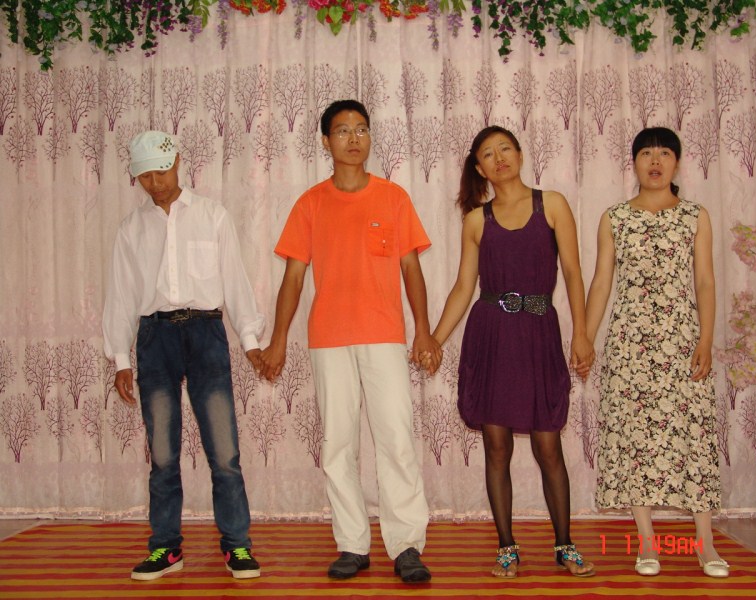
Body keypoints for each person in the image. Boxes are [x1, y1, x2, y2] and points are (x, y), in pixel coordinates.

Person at [259, 99, 440, 584]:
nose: (353, 138)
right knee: (338, 444)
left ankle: (406, 545)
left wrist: (423, 330)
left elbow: (411, 269)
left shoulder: (394, 198)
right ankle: (353, 545)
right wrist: (278, 340)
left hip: (384, 336)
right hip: (329, 339)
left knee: (395, 440)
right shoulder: (310, 203)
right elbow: (293, 278)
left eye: (361, 129)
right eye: (342, 131)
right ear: (326, 141)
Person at [426, 125, 595, 578]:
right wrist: (434, 339)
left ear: (520, 154)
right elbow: (464, 287)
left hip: (539, 334)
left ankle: (564, 544)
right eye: (488, 153)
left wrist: (582, 334)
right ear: (479, 168)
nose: (498, 157)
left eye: (505, 148)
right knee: (496, 446)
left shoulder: (552, 204)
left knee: (548, 445)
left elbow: (574, 273)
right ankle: (506, 547)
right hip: (492, 336)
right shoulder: (475, 220)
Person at [102, 131, 264, 581]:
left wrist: (250, 340)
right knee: (162, 453)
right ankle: (165, 548)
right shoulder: (131, 229)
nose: (154, 183)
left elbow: (235, 279)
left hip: (206, 332)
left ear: (176, 162)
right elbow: (121, 295)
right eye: (145, 176)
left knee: (224, 451)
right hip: (154, 338)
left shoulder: (213, 215)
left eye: (160, 171)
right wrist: (121, 359)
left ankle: (237, 545)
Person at [584, 127, 727, 578]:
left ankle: (705, 544)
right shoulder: (614, 218)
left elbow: (705, 281)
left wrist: (705, 339)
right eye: (646, 153)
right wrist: (584, 338)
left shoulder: (695, 216)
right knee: (634, 439)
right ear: (634, 163)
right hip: (629, 346)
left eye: (665, 153)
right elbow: (601, 282)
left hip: (682, 342)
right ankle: (646, 544)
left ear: (676, 163)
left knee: (693, 436)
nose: (655, 161)